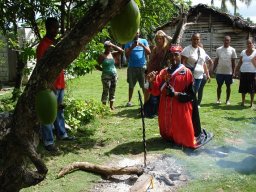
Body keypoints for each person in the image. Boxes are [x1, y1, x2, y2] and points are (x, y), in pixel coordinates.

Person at [146, 45, 213, 149]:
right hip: (165, 108)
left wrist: (175, 94)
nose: (173, 58)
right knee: (167, 135)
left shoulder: (187, 73)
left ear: (180, 56)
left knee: (183, 139)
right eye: (171, 55)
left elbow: (191, 95)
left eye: (176, 55)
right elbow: (155, 91)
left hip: (180, 109)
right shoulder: (163, 72)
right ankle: (169, 136)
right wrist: (151, 82)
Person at [36, 17, 74, 152]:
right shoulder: (43, 45)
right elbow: (40, 67)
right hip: (49, 86)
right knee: (47, 114)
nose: (56, 30)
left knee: (59, 111)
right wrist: (48, 83)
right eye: (53, 27)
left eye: (57, 27)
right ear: (47, 28)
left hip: (60, 83)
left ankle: (62, 134)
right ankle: (48, 141)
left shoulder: (55, 44)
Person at [144, 30, 172, 117]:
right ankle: (147, 107)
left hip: (161, 73)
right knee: (149, 90)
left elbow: (171, 40)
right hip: (152, 71)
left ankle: (157, 109)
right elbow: (150, 61)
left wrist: (165, 34)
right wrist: (147, 71)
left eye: (160, 38)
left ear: (163, 39)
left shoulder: (165, 48)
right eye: (157, 39)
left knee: (160, 91)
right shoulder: (155, 49)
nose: (159, 40)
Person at [124, 29, 151, 106]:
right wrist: (132, 46)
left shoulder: (144, 41)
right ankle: (129, 101)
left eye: (138, 33)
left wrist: (142, 45)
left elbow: (149, 52)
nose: (137, 35)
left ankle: (146, 101)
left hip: (142, 67)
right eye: (135, 33)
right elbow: (126, 55)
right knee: (131, 85)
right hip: (132, 67)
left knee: (144, 86)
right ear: (132, 34)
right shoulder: (128, 42)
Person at [96, 41, 124, 110]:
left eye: (110, 46)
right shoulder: (102, 55)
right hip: (106, 76)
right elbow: (96, 65)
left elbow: (121, 51)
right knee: (106, 90)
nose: (109, 48)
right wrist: (103, 70)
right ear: (105, 47)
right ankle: (104, 107)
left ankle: (111, 106)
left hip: (114, 75)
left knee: (113, 90)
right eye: (108, 46)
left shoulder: (112, 54)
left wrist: (113, 44)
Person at [213, 36, 237, 105]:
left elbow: (233, 62)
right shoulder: (218, 49)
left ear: (230, 41)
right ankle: (218, 99)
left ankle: (227, 100)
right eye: (225, 40)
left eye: (228, 40)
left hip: (228, 72)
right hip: (219, 72)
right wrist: (213, 69)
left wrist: (234, 72)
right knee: (219, 86)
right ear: (223, 41)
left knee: (228, 86)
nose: (226, 42)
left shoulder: (232, 50)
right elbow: (216, 60)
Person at [234, 39, 256, 107]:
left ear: (253, 44)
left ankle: (251, 103)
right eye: (248, 43)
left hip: (253, 73)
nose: (249, 45)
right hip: (243, 72)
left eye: (250, 43)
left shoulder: (255, 52)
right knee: (243, 88)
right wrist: (236, 70)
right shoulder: (243, 52)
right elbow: (240, 62)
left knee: (252, 88)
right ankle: (243, 102)